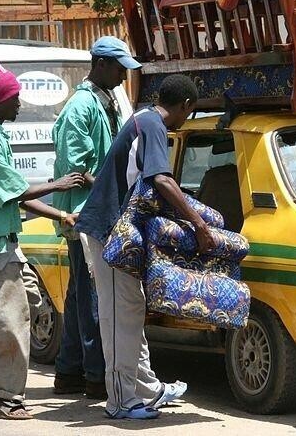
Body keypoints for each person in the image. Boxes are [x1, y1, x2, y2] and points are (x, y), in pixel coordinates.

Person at [75, 74, 214, 420]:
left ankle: (148, 390)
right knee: (118, 315)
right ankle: (121, 401)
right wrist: (198, 224)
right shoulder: (153, 125)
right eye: (189, 113)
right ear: (185, 107)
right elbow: (161, 179)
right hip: (108, 231)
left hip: (119, 231)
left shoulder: (143, 119)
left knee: (131, 308)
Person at [0, 62, 84, 420]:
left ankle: (2, 382)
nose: (20, 104)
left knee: (25, 303)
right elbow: (14, 191)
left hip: (1, 238)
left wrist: (60, 215)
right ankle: (6, 395)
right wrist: (60, 185)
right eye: (14, 98)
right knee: (8, 319)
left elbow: (14, 191)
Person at [52, 36, 141, 400]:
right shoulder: (81, 107)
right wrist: (113, 185)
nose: (123, 76)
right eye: (119, 68)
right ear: (101, 64)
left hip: (96, 211)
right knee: (92, 297)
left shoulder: (105, 102)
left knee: (79, 296)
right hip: (84, 214)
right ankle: (94, 376)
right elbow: (77, 169)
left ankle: (68, 371)